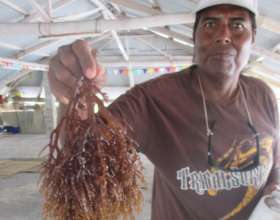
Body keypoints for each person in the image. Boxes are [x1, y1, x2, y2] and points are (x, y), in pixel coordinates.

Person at [48, 0, 280, 219]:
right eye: (210, 24)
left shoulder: (263, 94)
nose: (223, 35)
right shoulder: (153, 99)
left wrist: (274, 186)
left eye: (237, 25)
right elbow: (79, 148)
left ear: (253, 38)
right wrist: (72, 100)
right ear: (195, 37)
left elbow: (275, 157)